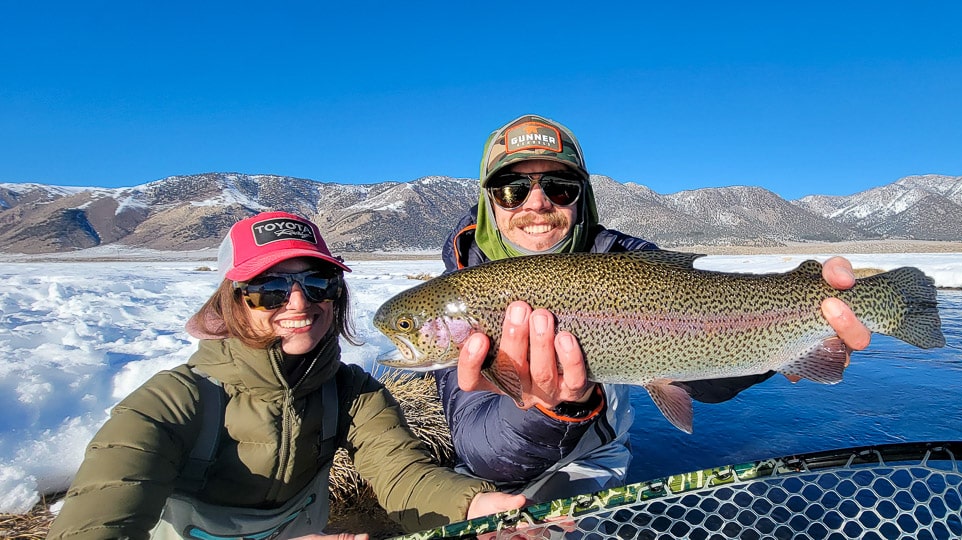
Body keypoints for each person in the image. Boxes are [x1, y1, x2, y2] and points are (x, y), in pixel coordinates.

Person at [437, 114, 873, 503]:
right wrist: (549, 409)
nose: (536, 203)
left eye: (559, 186)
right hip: (481, 480)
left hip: (592, 463)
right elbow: (481, 449)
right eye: (512, 189)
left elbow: (703, 370)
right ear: (488, 202)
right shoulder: (458, 290)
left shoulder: (630, 262)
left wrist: (784, 348)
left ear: (581, 198)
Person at [48, 211, 524, 540]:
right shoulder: (166, 406)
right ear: (230, 301)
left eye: (317, 283)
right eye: (269, 289)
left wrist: (473, 505)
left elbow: (406, 477)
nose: (299, 303)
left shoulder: (353, 394)